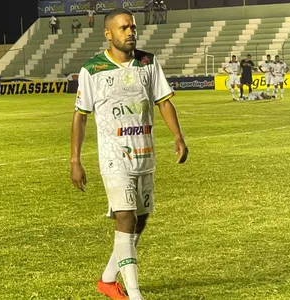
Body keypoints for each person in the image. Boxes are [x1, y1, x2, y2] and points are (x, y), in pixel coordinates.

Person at [70, 8, 188, 300]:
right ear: (108, 34)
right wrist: (75, 160)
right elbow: (81, 116)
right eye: (123, 28)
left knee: (141, 220)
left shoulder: (148, 62)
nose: (130, 32)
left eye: (132, 27)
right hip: (113, 157)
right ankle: (134, 295)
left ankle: (108, 279)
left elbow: (163, 101)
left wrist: (178, 136)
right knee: (126, 217)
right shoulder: (93, 70)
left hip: (145, 154)